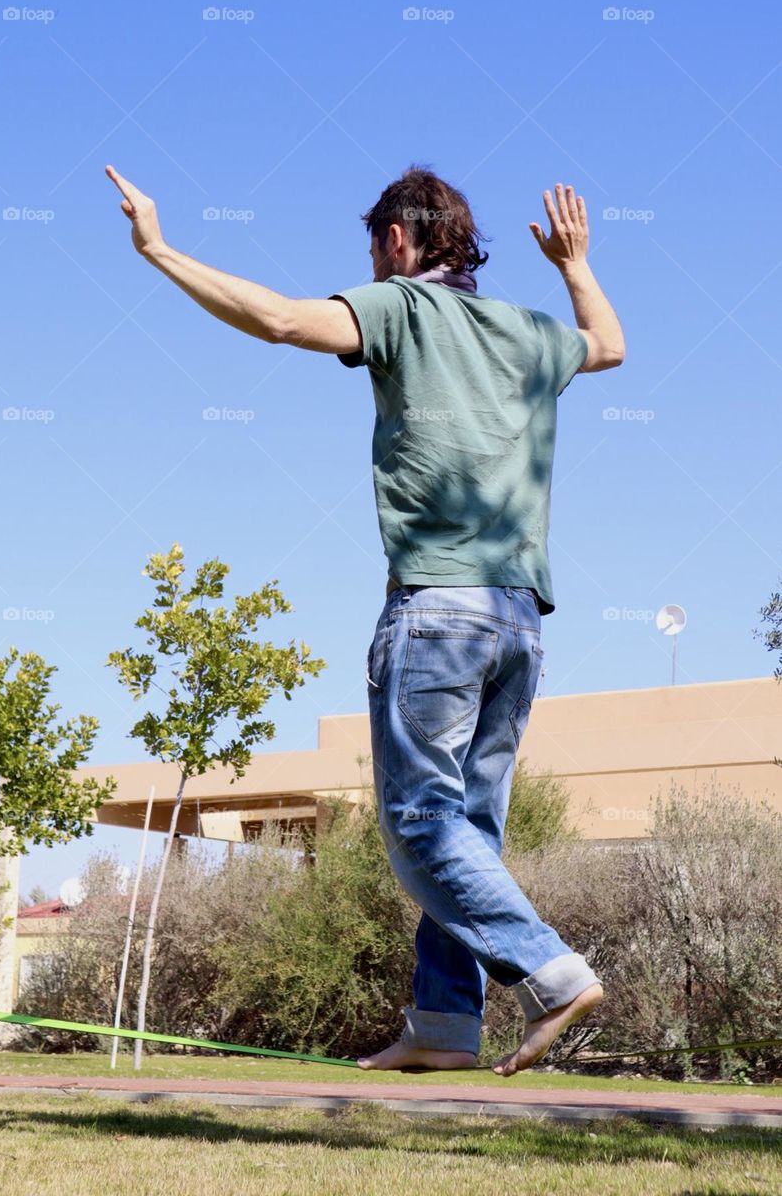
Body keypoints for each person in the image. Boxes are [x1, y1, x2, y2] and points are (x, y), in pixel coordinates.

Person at [105, 163, 625, 1075]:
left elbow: (278, 319)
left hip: (438, 610)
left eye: (373, 251)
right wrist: (574, 266)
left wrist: (158, 250)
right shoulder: (526, 331)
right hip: (519, 619)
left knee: (420, 824)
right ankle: (444, 1026)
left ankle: (549, 973)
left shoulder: (400, 307)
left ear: (395, 240)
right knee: (466, 832)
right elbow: (609, 346)